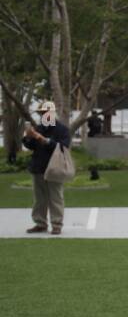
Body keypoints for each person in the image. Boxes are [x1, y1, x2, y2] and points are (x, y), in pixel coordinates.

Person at [21, 100, 72, 236]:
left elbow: (63, 146)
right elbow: (32, 146)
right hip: (38, 167)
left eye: (46, 112)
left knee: (56, 197)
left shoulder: (62, 129)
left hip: (55, 168)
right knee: (39, 199)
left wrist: (45, 140)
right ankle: (40, 223)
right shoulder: (39, 128)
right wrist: (27, 138)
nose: (44, 115)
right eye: (42, 113)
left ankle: (56, 225)